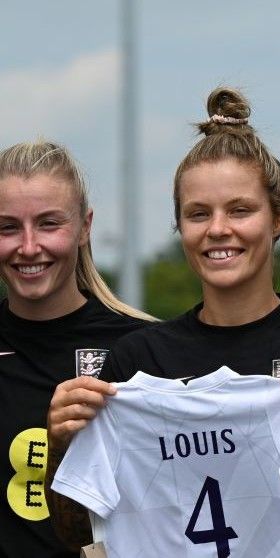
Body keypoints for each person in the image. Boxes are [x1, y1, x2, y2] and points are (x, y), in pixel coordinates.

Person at [46, 87, 280, 556]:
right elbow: (78, 534)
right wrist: (62, 444)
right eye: (197, 214)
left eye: (240, 210)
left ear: (279, 217)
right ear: (180, 227)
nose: (217, 230)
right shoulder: (137, 360)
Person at [0, 140, 154, 557]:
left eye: (49, 224)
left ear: (85, 227)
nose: (28, 247)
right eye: (8, 227)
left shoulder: (142, 349)